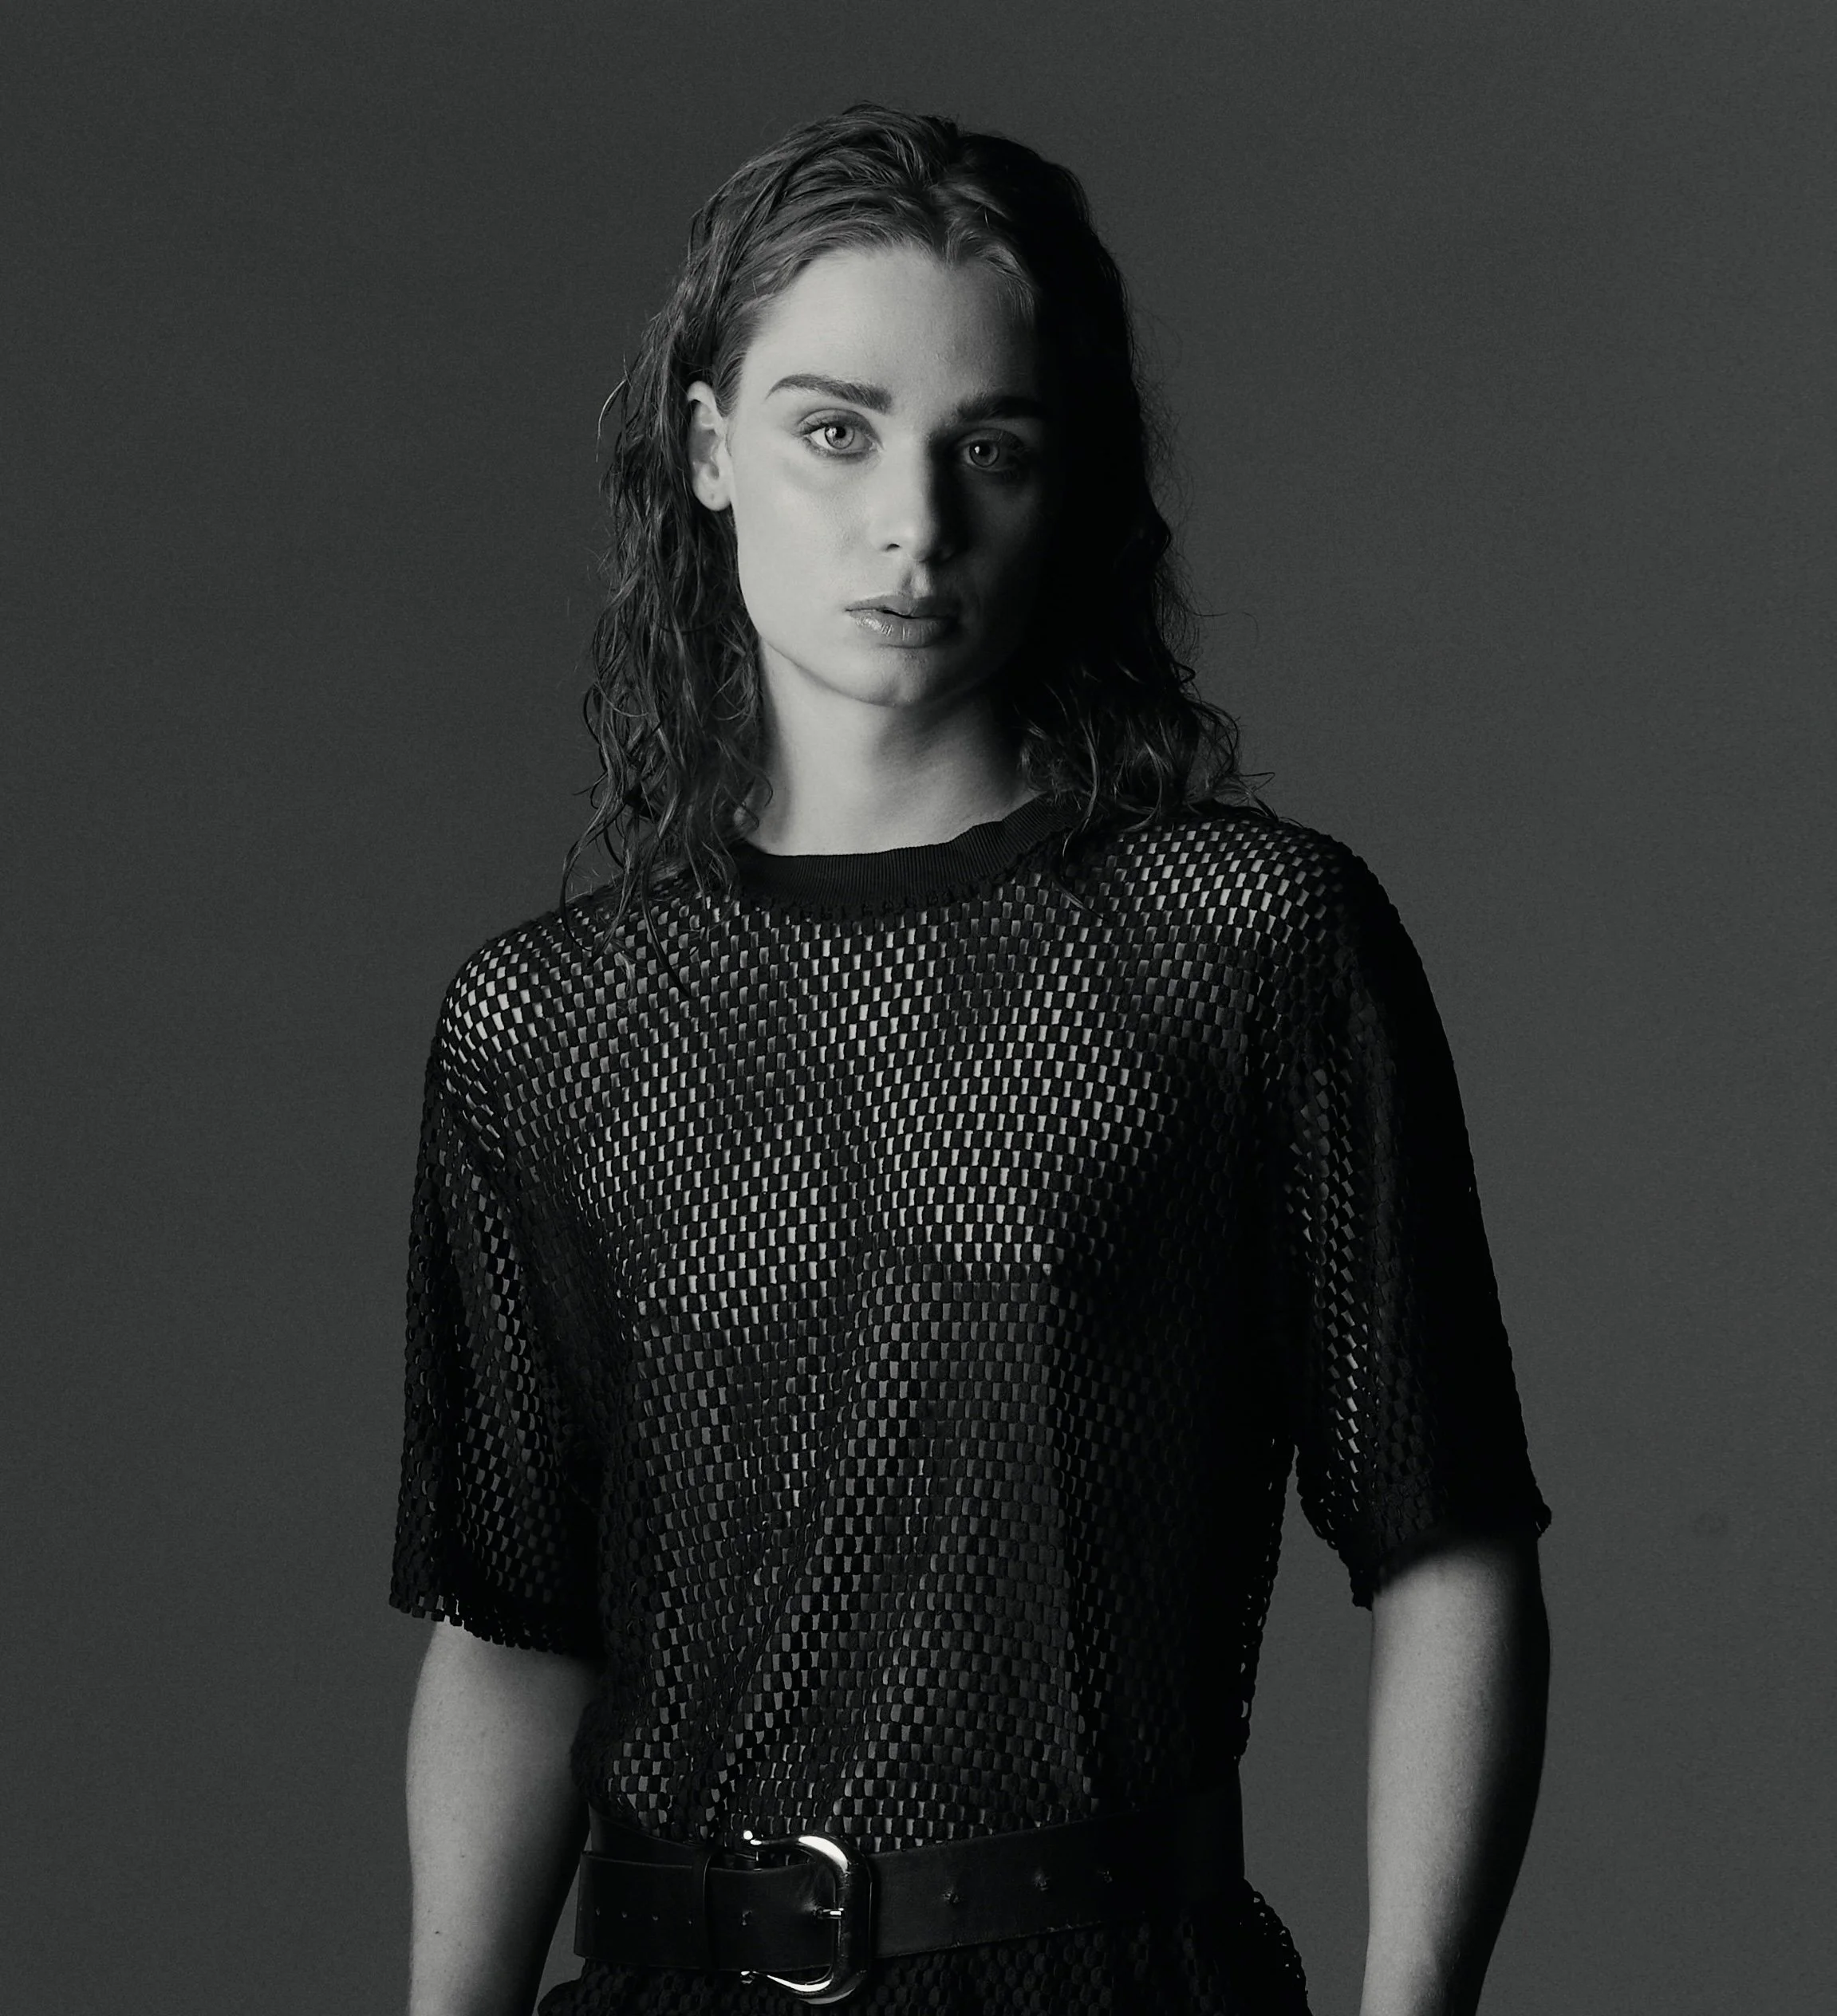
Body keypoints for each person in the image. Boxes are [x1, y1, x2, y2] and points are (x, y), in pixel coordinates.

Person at [391, 105, 1552, 2016]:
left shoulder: (1242, 945)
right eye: (834, 431)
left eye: (987, 449)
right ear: (709, 449)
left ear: (1062, 483)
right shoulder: (539, 1026)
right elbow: (515, 1627)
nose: (912, 525)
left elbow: (1449, 1548)